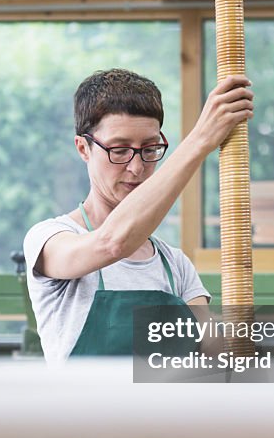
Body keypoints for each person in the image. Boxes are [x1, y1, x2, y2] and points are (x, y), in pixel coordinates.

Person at [23, 68, 254, 364]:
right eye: (119, 150)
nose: (136, 168)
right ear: (83, 148)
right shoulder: (49, 239)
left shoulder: (176, 266)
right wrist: (199, 141)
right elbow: (111, 244)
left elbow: (211, 356)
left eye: (149, 148)